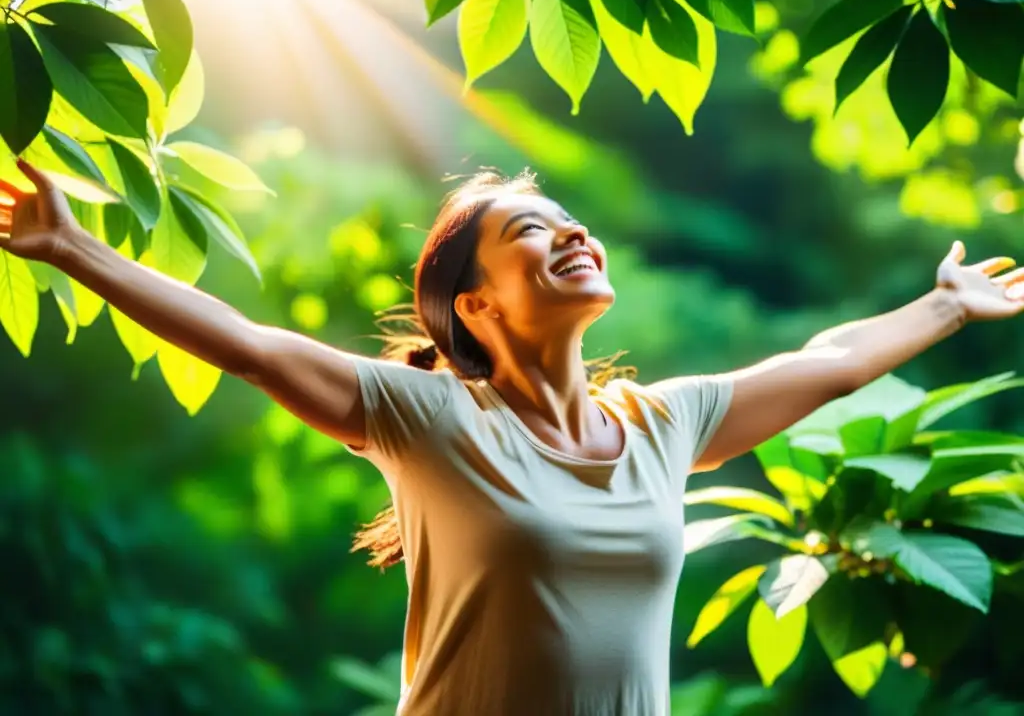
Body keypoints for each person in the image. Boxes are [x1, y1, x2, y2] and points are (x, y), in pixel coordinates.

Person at [1, 158, 1023, 715]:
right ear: (475, 306)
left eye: (573, 221)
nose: (572, 233)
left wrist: (945, 307)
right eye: (531, 231)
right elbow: (249, 344)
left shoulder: (665, 424)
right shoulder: (432, 420)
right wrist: (73, 246)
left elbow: (831, 356)